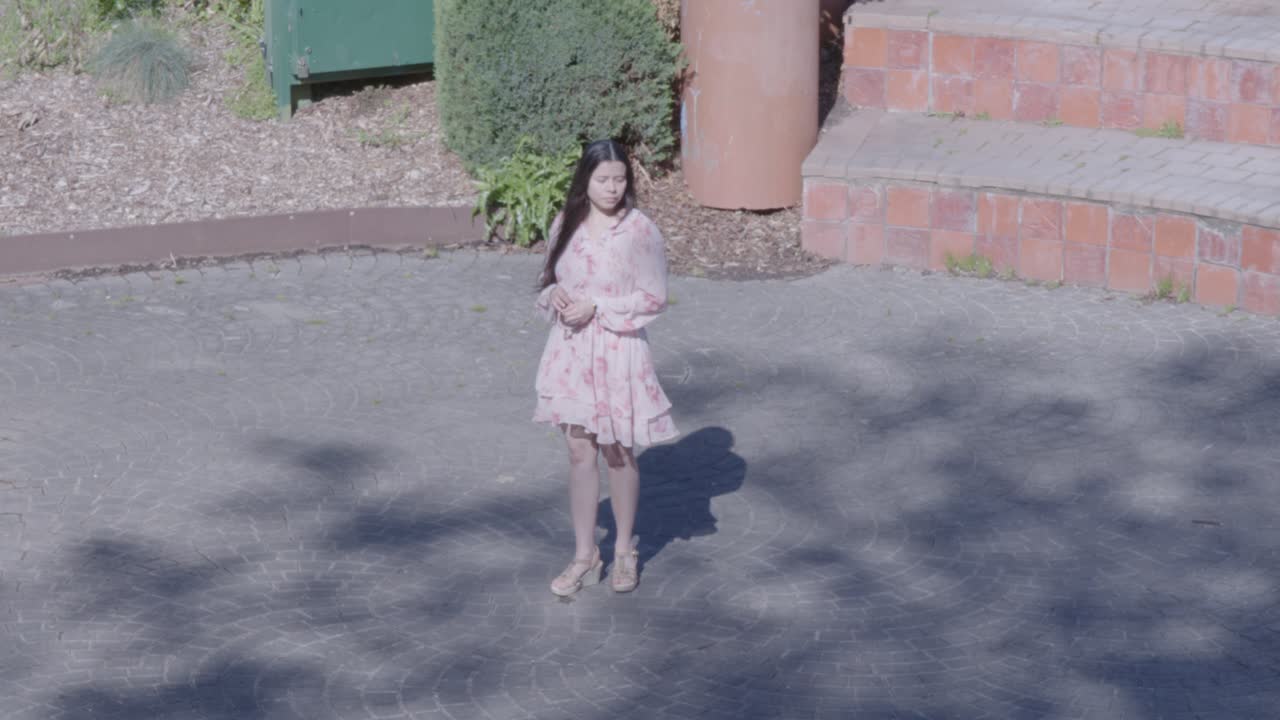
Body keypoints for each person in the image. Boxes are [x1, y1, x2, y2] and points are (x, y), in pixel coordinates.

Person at [533, 139, 679, 596]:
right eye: (603, 179)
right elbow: (548, 282)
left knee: (618, 451)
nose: (613, 188)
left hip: (619, 352)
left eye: (620, 179)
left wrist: (596, 305)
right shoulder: (566, 224)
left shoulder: (640, 231)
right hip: (572, 352)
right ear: (586, 180)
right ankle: (583, 554)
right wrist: (554, 297)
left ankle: (623, 551)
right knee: (579, 452)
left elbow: (654, 297)